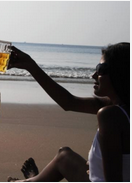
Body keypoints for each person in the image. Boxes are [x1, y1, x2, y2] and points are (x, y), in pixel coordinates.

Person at [7, 42, 130, 182]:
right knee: (64, 156)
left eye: (101, 69)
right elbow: (68, 102)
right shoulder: (119, 108)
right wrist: (30, 66)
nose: (93, 75)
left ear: (120, 73)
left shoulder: (110, 115)